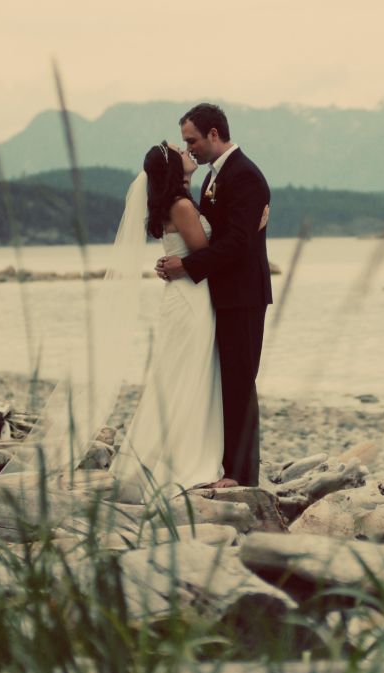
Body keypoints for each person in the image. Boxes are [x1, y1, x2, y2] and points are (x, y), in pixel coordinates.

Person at [156, 103, 272, 488]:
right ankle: (225, 464)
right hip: (220, 293)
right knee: (225, 380)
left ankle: (241, 474)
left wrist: (187, 267)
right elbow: (212, 236)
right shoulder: (211, 178)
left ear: (214, 134)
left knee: (240, 379)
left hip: (243, 295)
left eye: (192, 140)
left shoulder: (247, 177)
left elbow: (239, 243)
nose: (189, 149)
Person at [108, 142, 225, 501]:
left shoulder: (170, 206)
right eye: (180, 150)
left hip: (180, 298)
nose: (188, 151)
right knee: (190, 373)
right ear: (174, 166)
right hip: (192, 297)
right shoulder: (182, 206)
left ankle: (160, 454)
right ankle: (186, 459)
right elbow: (206, 252)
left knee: (176, 373)